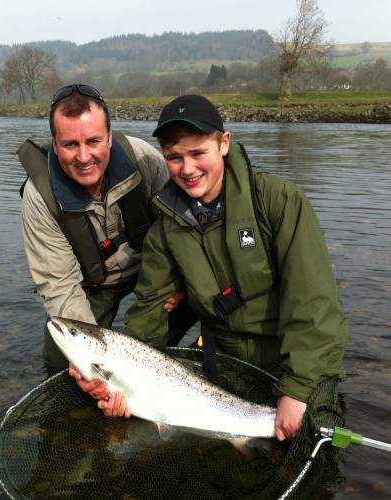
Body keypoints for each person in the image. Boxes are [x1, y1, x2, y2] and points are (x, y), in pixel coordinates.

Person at [75, 94, 348, 442]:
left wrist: (296, 389)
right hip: (228, 362)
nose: (187, 169)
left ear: (224, 143)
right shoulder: (164, 230)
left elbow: (315, 304)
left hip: (294, 356)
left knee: (309, 445)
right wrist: (122, 381)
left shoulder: (280, 201)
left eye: (198, 153)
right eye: (174, 157)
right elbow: (148, 310)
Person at [19, 84, 196, 375]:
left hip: (151, 272)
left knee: (159, 333)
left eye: (93, 141)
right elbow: (59, 286)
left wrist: (177, 282)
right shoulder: (39, 197)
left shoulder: (142, 159)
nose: (84, 157)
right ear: (54, 142)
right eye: (70, 145)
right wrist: (87, 361)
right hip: (93, 285)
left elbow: (180, 230)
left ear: (110, 137)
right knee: (63, 362)